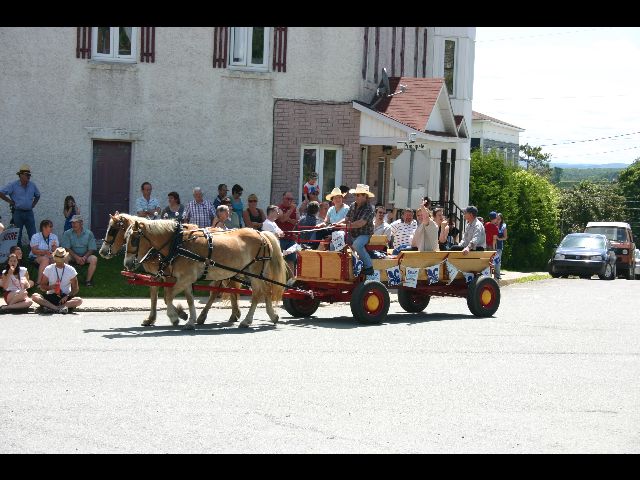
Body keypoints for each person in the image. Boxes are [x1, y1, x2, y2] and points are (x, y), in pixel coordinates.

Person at [31, 247, 83, 314]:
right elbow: (42, 286)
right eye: (58, 259)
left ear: (65, 258)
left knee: (79, 300)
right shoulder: (49, 268)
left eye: (61, 259)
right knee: (34, 296)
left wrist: (67, 296)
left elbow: (75, 289)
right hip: (51, 295)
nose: (59, 261)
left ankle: (52, 308)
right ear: (54, 258)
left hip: (65, 297)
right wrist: (51, 287)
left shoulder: (71, 270)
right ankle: (58, 308)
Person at [0, 164, 40, 246]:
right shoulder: (13, 185)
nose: (28, 177)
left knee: (33, 235)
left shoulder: (32, 185)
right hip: (18, 213)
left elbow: (38, 195)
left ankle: (34, 254)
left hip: (29, 213)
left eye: (29, 175)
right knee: (17, 234)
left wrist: (33, 204)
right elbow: (1, 192)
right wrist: (10, 201)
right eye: (26, 175)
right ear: (20, 175)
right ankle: (18, 255)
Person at [345, 184, 376, 276]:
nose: (356, 197)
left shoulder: (369, 209)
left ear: (365, 196)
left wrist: (348, 225)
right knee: (335, 241)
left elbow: (361, 223)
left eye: (358, 195)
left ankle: (369, 267)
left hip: (364, 234)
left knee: (357, 245)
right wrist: (337, 223)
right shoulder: (352, 205)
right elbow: (346, 218)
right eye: (355, 195)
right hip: (352, 234)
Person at [60, 215, 98, 287]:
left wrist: (85, 257)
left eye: (76, 222)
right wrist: (76, 257)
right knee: (64, 257)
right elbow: (67, 248)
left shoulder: (89, 233)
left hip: (85, 256)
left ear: (81, 223)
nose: (73, 224)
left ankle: (88, 281)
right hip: (72, 255)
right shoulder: (67, 233)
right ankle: (68, 280)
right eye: (72, 223)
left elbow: (91, 248)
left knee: (94, 259)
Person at [29, 219, 59, 286]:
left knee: (57, 260)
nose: (52, 228)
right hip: (36, 257)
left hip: (50, 256)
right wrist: (44, 252)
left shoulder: (54, 236)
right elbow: (34, 251)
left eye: (52, 226)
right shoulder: (36, 236)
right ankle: (39, 282)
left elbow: (56, 250)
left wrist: (54, 247)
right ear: (43, 227)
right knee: (45, 259)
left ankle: (55, 282)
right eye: (50, 226)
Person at [275, 191, 300, 272]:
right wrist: (291, 210)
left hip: (291, 239)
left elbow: (296, 221)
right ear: (283, 198)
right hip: (280, 239)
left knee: (291, 260)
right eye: (288, 199)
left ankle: (291, 280)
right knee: (279, 260)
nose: (290, 201)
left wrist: (287, 218)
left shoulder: (295, 209)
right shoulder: (278, 208)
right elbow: (282, 220)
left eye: (291, 199)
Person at [495, 213, 508, 280]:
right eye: (496, 218)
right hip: (491, 245)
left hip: (499, 246)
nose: (497, 220)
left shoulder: (503, 226)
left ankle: (497, 275)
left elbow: (505, 237)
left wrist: (499, 239)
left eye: (499, 219)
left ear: (501, 219)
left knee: (497, 261)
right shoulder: (493, 225)